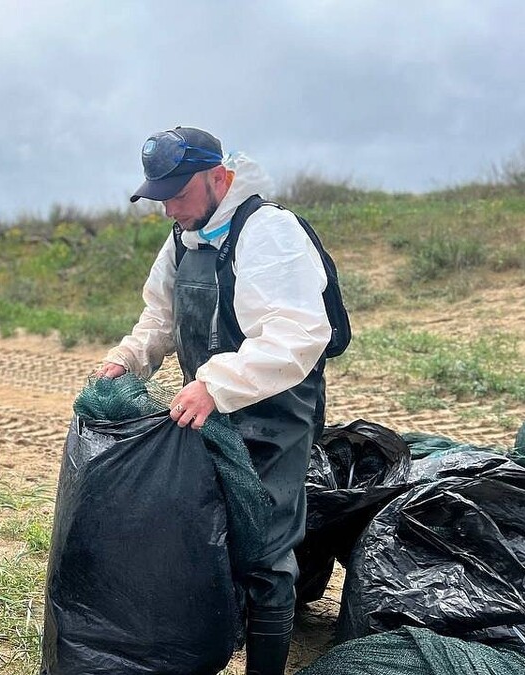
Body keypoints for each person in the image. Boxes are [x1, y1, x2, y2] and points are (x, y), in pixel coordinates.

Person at [95, 127, 331, 675]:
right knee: (207, 531)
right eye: (161, 198)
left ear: (219, 178)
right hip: (209, 409)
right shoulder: (183, 237)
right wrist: (128, 358)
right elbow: (160, 316)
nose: (170, 209)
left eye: (179, 194)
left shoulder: (268, 231)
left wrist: (218, 384)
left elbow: (297, 334)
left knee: (267, 550)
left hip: (274, 417)